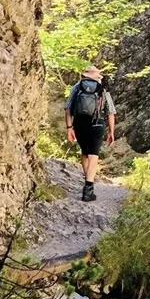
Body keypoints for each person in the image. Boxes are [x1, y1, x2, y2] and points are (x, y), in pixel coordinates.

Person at [64, 66, 116, 202]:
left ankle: (88, 184)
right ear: (97, 76)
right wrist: (111, 131)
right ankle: (88, 188)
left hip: (79, 124)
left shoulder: (77, 87)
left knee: (85, 153)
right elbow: (110, 111)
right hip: (97, 124)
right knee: (94, 154)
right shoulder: (102, 88)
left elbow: (68, 108)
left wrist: (69, 127)